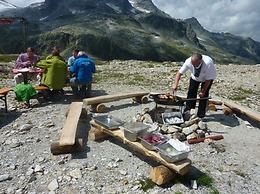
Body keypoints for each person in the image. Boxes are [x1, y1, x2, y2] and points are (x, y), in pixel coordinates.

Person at [172, 53, 217, 118]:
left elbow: (208, 79)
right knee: (191, 92)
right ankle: (189, 111)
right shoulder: (188, 61)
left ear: (200, 61)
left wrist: (203, 91)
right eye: (192, 63)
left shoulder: (208, 64)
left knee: (203, 95)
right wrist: (175, 84)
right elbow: (179, 73)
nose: (192, 64)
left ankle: (200, 114)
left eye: (194, 63)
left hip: (206, 78)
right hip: (195, 77)